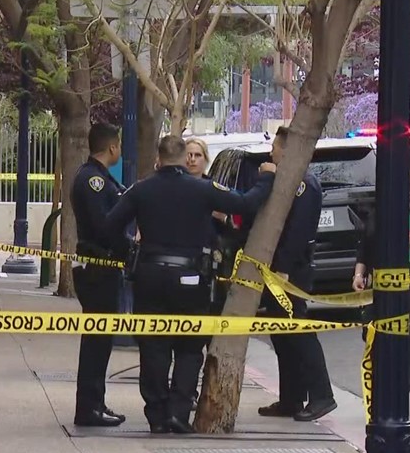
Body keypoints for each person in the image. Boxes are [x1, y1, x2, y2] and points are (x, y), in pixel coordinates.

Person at [101, 135, 277, 434]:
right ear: (184, 158)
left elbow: (109, 226)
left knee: (153, 347)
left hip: (150, 276)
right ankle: (178, 413)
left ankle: (157, 414)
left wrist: (131, 251)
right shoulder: (203, 189)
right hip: (192, 279)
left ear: (159, 157)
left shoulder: (141, 190)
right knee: (189, 347)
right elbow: (245, 204)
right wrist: (266, 180)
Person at [256, 126, 337, 423]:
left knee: (299, 332)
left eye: (276, 148)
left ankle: (321, 395)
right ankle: (291, 398)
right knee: (282, 335)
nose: (271, 153)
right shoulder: (288, 182)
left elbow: (298, 233)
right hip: (278, 268)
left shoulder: (304, 184)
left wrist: (285, 269)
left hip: (290, 271)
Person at [351, 171, 410, 392]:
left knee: (404, 339)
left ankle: (400, 391)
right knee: (373, 335)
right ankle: (377, 388)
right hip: (378, 287)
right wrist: (358, 274)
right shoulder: (377, 216)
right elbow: (364, 247)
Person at [70, 123, 129, 428]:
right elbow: (103, 227)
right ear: (112, 148)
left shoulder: (99, 178)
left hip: (101, 268)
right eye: (118, 145)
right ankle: (89, 408)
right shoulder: (93, 180)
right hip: (97, 268)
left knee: (100, 340)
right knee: (97, 340)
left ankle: (95, 403)